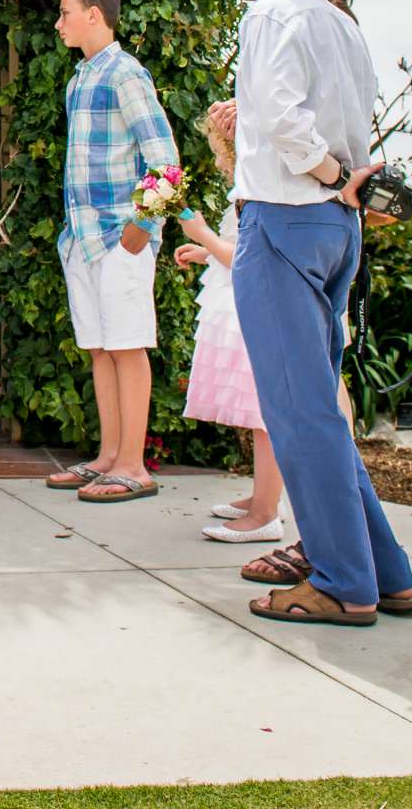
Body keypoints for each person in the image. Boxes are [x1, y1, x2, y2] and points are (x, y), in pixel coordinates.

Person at [224, 0, 412, 628]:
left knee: (298, 409)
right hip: (338, 230)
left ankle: (343, 582)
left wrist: (328, 173)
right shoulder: (341, 21)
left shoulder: (272, 14)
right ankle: (386, 572)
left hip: (285, 216)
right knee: (318, 410)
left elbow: (277, 117)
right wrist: (345, 183)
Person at [42, 0, 180, 504]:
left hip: (119, 239)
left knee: (127, 347)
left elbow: (165, 162)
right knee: (101, 349)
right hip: (81, 238)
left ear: (94, 15)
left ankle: (133, 467)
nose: (59, 24)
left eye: (65, 12)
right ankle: (107, 458)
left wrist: (139, 230)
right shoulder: (80, 78)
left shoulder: (125, 73)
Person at [175, 105, 283, 542]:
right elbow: (237, 246)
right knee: (258, 412)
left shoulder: (255, 189)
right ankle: (262, 496)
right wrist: (205, 252)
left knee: (264, 415)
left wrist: (202, 235)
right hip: (240, 304)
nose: (218, 159)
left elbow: (246, 261)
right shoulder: (248, 186)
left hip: (251, 306)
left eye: (221, 149)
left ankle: (266, 512)